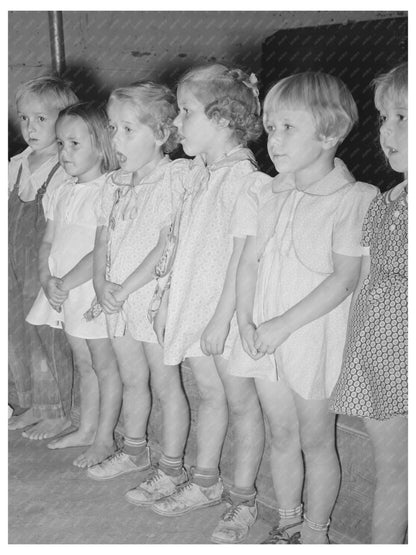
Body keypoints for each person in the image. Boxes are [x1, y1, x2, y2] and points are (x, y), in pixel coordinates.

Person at [230, 72, 378, 544]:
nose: (274, 139)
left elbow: (344, 278)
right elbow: (248, 261)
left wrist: (281, 325)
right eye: (271, 127)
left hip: (312, 339)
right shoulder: (270, 193)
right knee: (280, 432)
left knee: (316, 440)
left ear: (330, 133)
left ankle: (316, 533)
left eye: (288, 127)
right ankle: (288, 521)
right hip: (263, 335)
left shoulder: (354, 199)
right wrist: (245, 320)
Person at [149, 64, 269, 544]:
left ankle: (242, 500)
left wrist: (221, 320)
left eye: (185, 112)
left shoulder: (244, 179)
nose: (176, 123)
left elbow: (243, 259)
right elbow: (180, 244)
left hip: (223, 317)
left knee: (241, 405)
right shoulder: (201, 174)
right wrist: (164, 300)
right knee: (211, 397)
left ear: (222, 119)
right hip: (193, 309)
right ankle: (204, 481)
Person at [86, 83, 190, 493]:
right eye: (112, 128)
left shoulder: (173, 179)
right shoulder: (112, 184)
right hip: (116, 301)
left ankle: (172, 468)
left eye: (128, 130)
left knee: (166, 385)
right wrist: (101, 285)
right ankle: (133, 450)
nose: (116, 139)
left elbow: (167, 244)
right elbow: (102, 240)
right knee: (132, 378)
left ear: (162, 134)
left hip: (150, 299)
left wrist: (125, 287)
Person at [330, 63, 408, 544]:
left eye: (403, 116)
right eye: (383, 117)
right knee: (393, 470)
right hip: (379, 357)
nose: (388, 131)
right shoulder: (385, 201)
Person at [26, 101, 120, 467]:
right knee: (83, 363)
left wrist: (64, 281)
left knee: (103, 365)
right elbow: (48, 239)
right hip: (63, 290)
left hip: (87, 289)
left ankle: (104, 437)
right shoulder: (63, 189)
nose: (64, 152)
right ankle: (86, 428)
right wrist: (46, 278)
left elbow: (102, 250)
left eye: (74, 144)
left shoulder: (108, 191)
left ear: (100, 144)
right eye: (61, 144)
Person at [8, 76, 78, 440]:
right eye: (24, 118)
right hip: (13, 263)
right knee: (16, 330)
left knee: (45, 334)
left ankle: (58, 411)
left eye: (41, 119)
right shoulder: (16, 163)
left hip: (43, 262)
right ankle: (31, 400)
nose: (29, 128)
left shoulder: (64, 166)